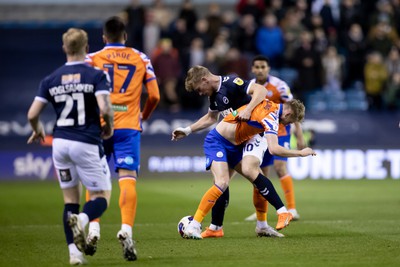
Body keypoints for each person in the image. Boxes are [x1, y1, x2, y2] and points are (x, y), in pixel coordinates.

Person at [26, 28, 114, 265]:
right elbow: (105, 108)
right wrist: (109, 126)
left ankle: (74, 255)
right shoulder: (96, 76)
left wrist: (37, 130)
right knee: (101, 196)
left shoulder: (51, 79)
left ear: (65, 48)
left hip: (60, 143)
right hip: (86, 141)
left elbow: (32, 113)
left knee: (69, 201)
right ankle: (83, 221)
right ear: (87, 49)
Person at [173, 99, 316, 239]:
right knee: (222, 182)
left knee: (256, 177)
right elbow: (274, 149)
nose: (285, 125)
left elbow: (259, 92)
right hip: (218, 141)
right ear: (287, 114)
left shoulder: (268, 104)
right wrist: (300, 153)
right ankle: (195, 224)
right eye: (289, 122)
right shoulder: (271, 116)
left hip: (236, 145)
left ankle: (254, 226)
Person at [172, 65, 280, 238]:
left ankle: (261, 225)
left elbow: (260, 90)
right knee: (222, 182)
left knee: (256, 180)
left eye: (199, 89)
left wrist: (249, 109)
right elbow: (210, 118)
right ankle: (214, 227)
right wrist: (188, 130)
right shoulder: (214, 96)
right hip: (228, 141)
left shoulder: (231, 82)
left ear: (205, 80)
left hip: (245, 140)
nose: (200, 93)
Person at [85, 16, 160, 261]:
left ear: (104, 37)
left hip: (99, 126)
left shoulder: (92, 58)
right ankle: (126, 229)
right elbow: (155, 96)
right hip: (128, 126)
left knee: (95, 176)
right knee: (127, 178)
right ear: (125, 36)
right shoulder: (141, 58)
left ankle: (93, 227)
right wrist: (143, 116)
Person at [244, 55, 305, 226]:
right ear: (252, 69)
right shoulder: (250, 87)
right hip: (261, 133)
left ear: (268, 68)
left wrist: (299, 136)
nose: (260, 70)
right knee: (260, 173)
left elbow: (294, 111)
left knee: (280, 167)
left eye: (263, 66)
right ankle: (260, 212)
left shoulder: (280, 86)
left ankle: (292, 208)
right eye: (257, 67)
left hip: (281, 130)